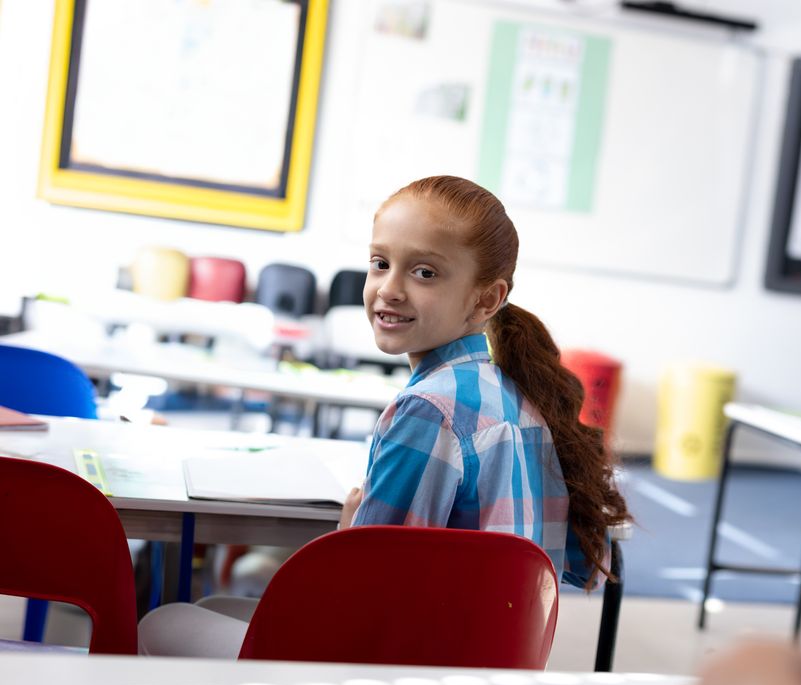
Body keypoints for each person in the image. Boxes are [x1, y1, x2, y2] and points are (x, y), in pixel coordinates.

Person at [138, 176, 630, 656]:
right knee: (215, 603)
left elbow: (359, 586)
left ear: (487, 299)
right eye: (380, 263)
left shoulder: (428, 408)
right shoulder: (514, 392)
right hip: (491, 655)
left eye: (425, 273)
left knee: (164, 621)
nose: (389, 289)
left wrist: (346, 536)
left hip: (404, 661)